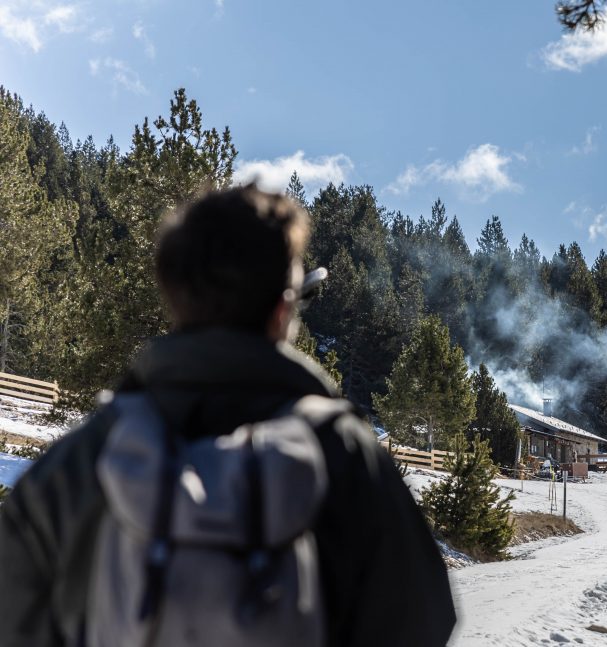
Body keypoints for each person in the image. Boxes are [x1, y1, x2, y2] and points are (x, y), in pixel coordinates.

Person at [0, 186, 456, 646]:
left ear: (175, 297)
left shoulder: (86, 459)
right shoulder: (342, 454)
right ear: (282, 310)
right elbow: (424, 620)